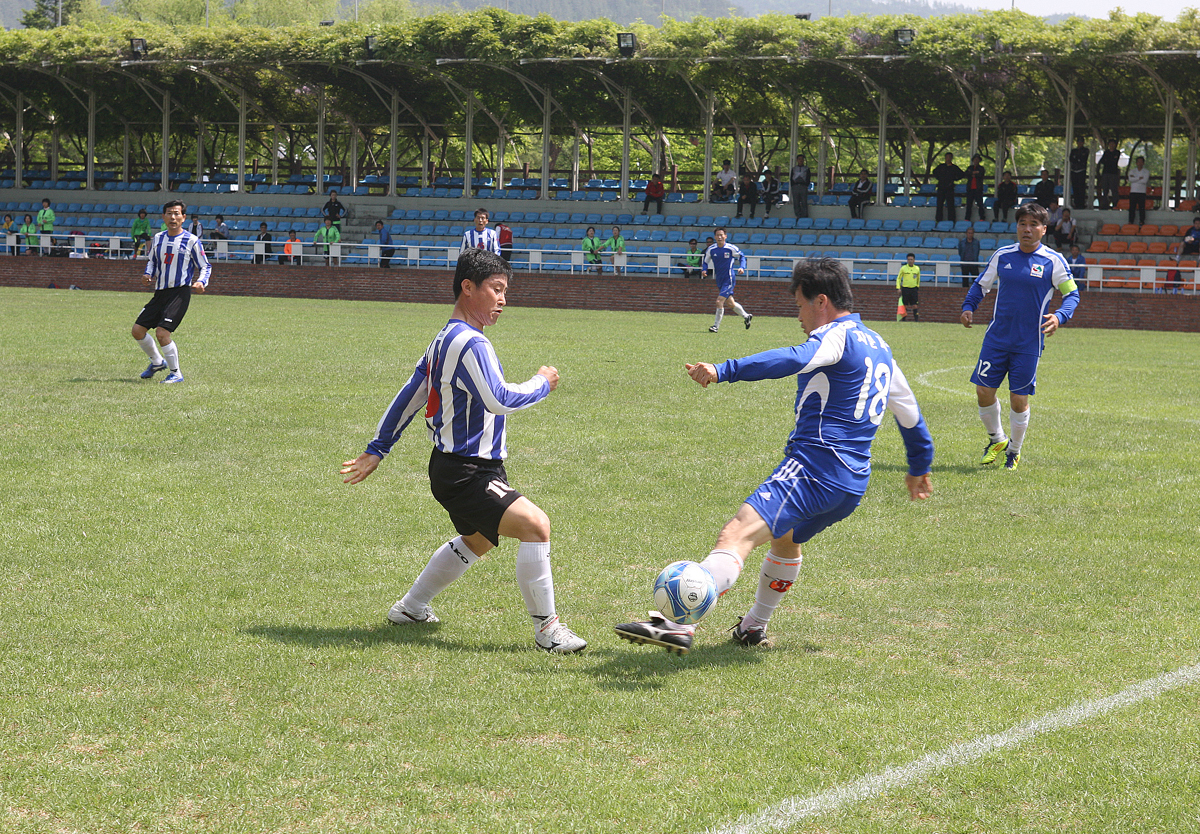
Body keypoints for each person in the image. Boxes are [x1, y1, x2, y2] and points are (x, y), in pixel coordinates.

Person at [614, 258, 934, 654]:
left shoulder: (836, 336)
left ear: (821, 301)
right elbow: (912, 417)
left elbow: (792, 358)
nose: (798, 317)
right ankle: (753, 627)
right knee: (784, 541)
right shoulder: (882, 349)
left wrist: (723, 368)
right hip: (852, 483)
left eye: (800, 306)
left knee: (736, 534)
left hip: (815, 466)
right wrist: (919, 467)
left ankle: (677, 623)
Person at [340, 249, 587, 655]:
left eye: (506, 290)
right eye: (496, 289)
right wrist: (542, 382)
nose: (503, 299)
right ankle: (549, 632)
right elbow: (499, 398)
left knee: (478, 540)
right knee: (536, 526)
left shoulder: (444, 338)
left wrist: (378, 448)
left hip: (463, 467)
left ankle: (411, 608)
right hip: (466, 472)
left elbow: (412, 393)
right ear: (468, 288)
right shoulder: (469, 342)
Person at [960, 202, 1080, 471]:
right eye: (1022, 224)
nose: (1027, 229)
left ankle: (1014, 451)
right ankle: (997, 440)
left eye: (1033, 225)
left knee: (1018, 398)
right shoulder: (1003, 256)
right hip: (997, 337)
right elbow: (981, 285)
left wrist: (1060, 316)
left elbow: (1072, 294)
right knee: (983, 391)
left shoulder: (1053, 261)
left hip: (1029, 341)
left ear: (1043, 229)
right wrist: (968, 308)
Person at [131, 200, 211, 385]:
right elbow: (151, 261)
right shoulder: (158, 238)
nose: (172, 217)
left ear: (183, 218)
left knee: (162, 333)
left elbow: (205, 266)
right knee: (137, 331)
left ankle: (176, 373)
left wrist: (201, 282)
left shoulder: (192, 240)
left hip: (179, 294)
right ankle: (158, 362)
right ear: (163, 217)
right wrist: (147, 274)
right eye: (169, 213)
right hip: (160, 293)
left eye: (176, 214)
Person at [702, 227, 752, 332]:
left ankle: (715, 326)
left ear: (725, 236)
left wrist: (742, 267)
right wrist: (704, 270)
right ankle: (746, 316)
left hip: (729, 278)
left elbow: (742, 257)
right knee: (731, 304)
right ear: (715, 237)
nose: (719, 237)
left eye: (721, 235)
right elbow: (705, 261)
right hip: (719, 279)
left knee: (719, 301)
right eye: (717, 235)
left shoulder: (731, 248)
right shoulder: (711, 249)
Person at [931, 152, 964, 223]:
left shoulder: (954, 167)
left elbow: (961, 174)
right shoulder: (941, 166)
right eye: (947, 157)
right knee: (939, 204)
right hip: (941, 187)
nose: (948, 159)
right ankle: (938, 219)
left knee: (950, 204)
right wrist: (940, 178)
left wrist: (954, 179)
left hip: (949, 188)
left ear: (951, 158)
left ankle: (951, 220)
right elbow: (934, 172)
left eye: (949, 157)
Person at [1097, 139, 1121, 210]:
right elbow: (1102, 161)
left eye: (1113, 144)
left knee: (1114, 190)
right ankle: (1105, 205)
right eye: (1110, 144)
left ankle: (1115, 205)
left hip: (1113, 173)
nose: (1112, 145)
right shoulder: (1106, 152)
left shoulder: (1117, 152)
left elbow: (1113, 161)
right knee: (1105, 190)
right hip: (1106, 173)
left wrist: (1108, 161)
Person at [896, 253, 921, 321]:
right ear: (907, 260)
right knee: (905, 305)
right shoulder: (903, 268)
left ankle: (916, 320)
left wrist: (917, 286)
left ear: (914, 260)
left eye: (911, 259)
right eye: (909, 259)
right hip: (905, 288)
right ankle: (903, 320)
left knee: (915, 305)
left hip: (913, 289)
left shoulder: (917, 268)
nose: (910, 261)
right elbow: (899, 278)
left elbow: (918, 278)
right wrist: (898, 288)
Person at [1069, 136, 1090, 210]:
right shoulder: (1074, 151)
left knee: (1081, 187)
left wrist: (1077, 159)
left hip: (1081, 170)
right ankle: (1076, 203)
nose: (1080, 143)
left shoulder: (1085, 150)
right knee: (1075, 187)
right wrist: (1077, 159)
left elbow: (1083, 159)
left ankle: (1082, 203)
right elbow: (1071, 159)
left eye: (1081, 142)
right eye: (1078, 142)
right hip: (1074, 170)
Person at [1128, 155, 1149, 227]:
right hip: (1133, 191)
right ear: (1136, 163)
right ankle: (1131, 221)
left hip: (1142, 192)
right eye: (1138, 162)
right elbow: (1130, 180)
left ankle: (1142, 221)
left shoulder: (1146, 171)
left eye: (1141, 162)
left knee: (1141, 208)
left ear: (1143, 163)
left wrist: (1135, 179)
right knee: (1132, 208)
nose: (1139, 163)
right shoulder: (1132, 171)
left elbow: (1144, 181)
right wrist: (1139, 178)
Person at [964, 154, 987, 222]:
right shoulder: (970, 167)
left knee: (980, 204)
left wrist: (972, 173)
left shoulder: (981, 168)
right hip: (970, 189)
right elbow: (966, 173)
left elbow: (980, 174)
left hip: (978, 189)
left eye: (977, 159)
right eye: (975, 159)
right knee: (969, 204)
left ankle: (982, 217)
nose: (976, 161)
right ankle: (967, 218)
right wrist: (974, 173)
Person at [789, 154, 811, 218]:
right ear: (797, 160)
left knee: (804, 201)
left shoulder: (806, 168)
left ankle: (804, 215)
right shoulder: (794, 169)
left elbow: (808, 177)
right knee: (796, 202)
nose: (800, 160)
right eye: (799, 159)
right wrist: (793, 185)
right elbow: (791, 177)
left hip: (803, 186)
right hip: (795, 186)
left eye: (802, 159)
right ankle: (798, 215)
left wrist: (806, 184)